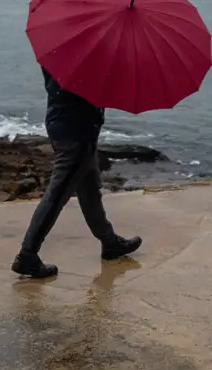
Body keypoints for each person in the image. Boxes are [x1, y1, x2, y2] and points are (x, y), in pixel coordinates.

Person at [12, 67, 142, 278]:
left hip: (64, 123)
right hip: (76, 132)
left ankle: (110, 243)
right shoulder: (88, 61)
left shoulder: (64, 51)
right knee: (57, 195)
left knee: (90, 190)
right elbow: (89, 89)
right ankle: (27, 255)